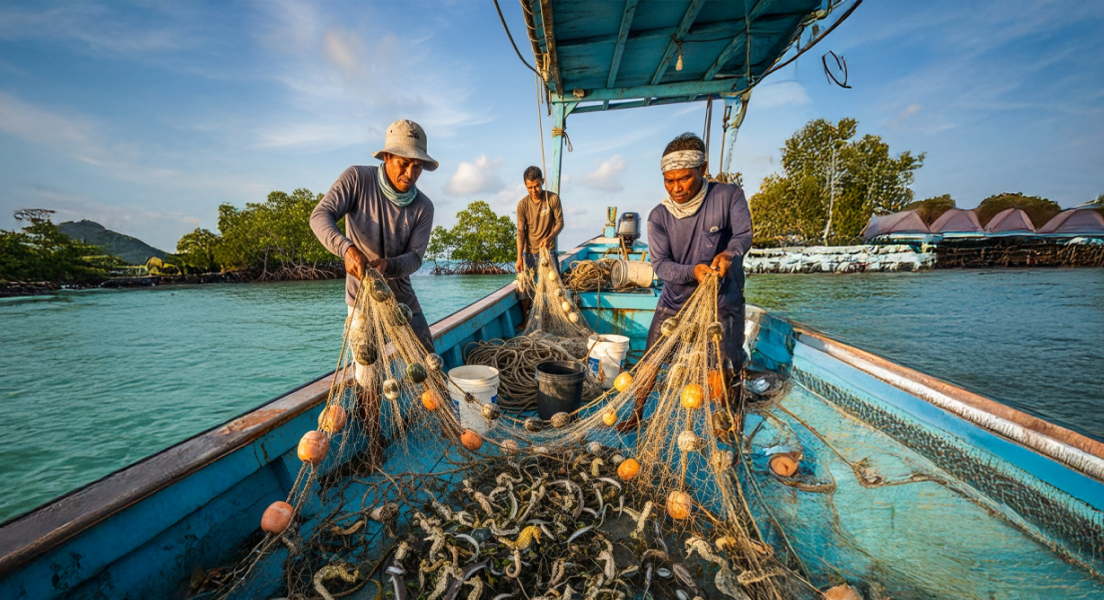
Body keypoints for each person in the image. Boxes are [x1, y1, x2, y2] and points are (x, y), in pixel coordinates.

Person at [621, 132, 752, 430]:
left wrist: (730, 253)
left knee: (721, 367)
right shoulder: (659, 217)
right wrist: (693, 271)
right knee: (651, 361)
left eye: (683, 179)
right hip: (675, 301)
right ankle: (637, 413)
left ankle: (726, 421)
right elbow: (662, 266)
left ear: (703, 169)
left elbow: (744, 234)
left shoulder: (728, 196)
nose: (676, 188)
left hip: (722, 301)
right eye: (669, 180)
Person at [310, 119, 438, 355]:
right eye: (404, 163)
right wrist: (346, 249)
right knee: (367, 378)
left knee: (428, 366)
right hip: (361, 299)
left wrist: (388, 266)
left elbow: (415, 258)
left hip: (403, 299)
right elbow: (320, 215)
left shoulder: (424, 207)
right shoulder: (357, 179)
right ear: (387, 157)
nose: (410, 174)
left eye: (417, 166)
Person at [515, 166, 564, 275]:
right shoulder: (522, 205)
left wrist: (549, 238)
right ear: (525, 185)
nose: (533, 191)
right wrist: (519, 258)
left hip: (549, 252)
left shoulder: (552, 198)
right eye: (530, 187)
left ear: (542, 181)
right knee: (529, 289)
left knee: (554, 287)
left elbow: (560, 223)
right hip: (529, 255)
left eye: (537, 186)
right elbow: (520, 232)